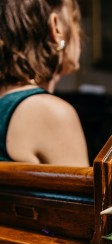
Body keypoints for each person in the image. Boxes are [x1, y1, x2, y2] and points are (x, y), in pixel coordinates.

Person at [0, 0, 89, 166]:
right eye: (76, 21)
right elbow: (84, 192)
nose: (81, 34)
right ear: (56, 28)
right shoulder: (50, 113)